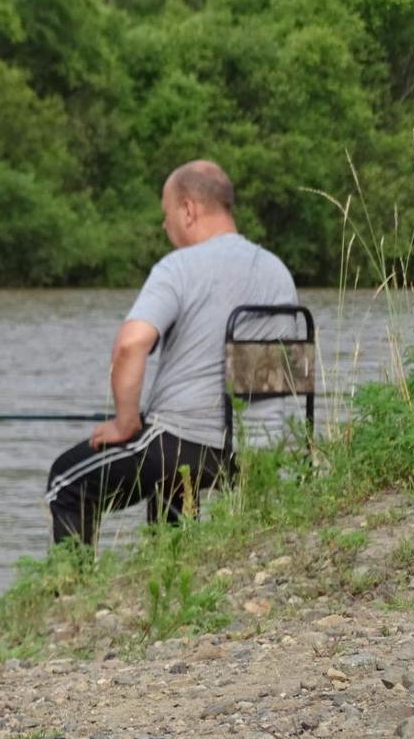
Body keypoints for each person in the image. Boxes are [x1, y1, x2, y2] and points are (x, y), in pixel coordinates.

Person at [45, 161, 297, 546]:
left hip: (185, 446)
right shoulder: (278, 271)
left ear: (188, 209)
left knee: (67, 479)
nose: (165, 227)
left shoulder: (179, 267)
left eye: (166, 215)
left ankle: (73, 597)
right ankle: (172, 567)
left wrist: (125, 422)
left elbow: (131, 344)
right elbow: (278, 372)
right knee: (171, 481)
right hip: (257, 454)